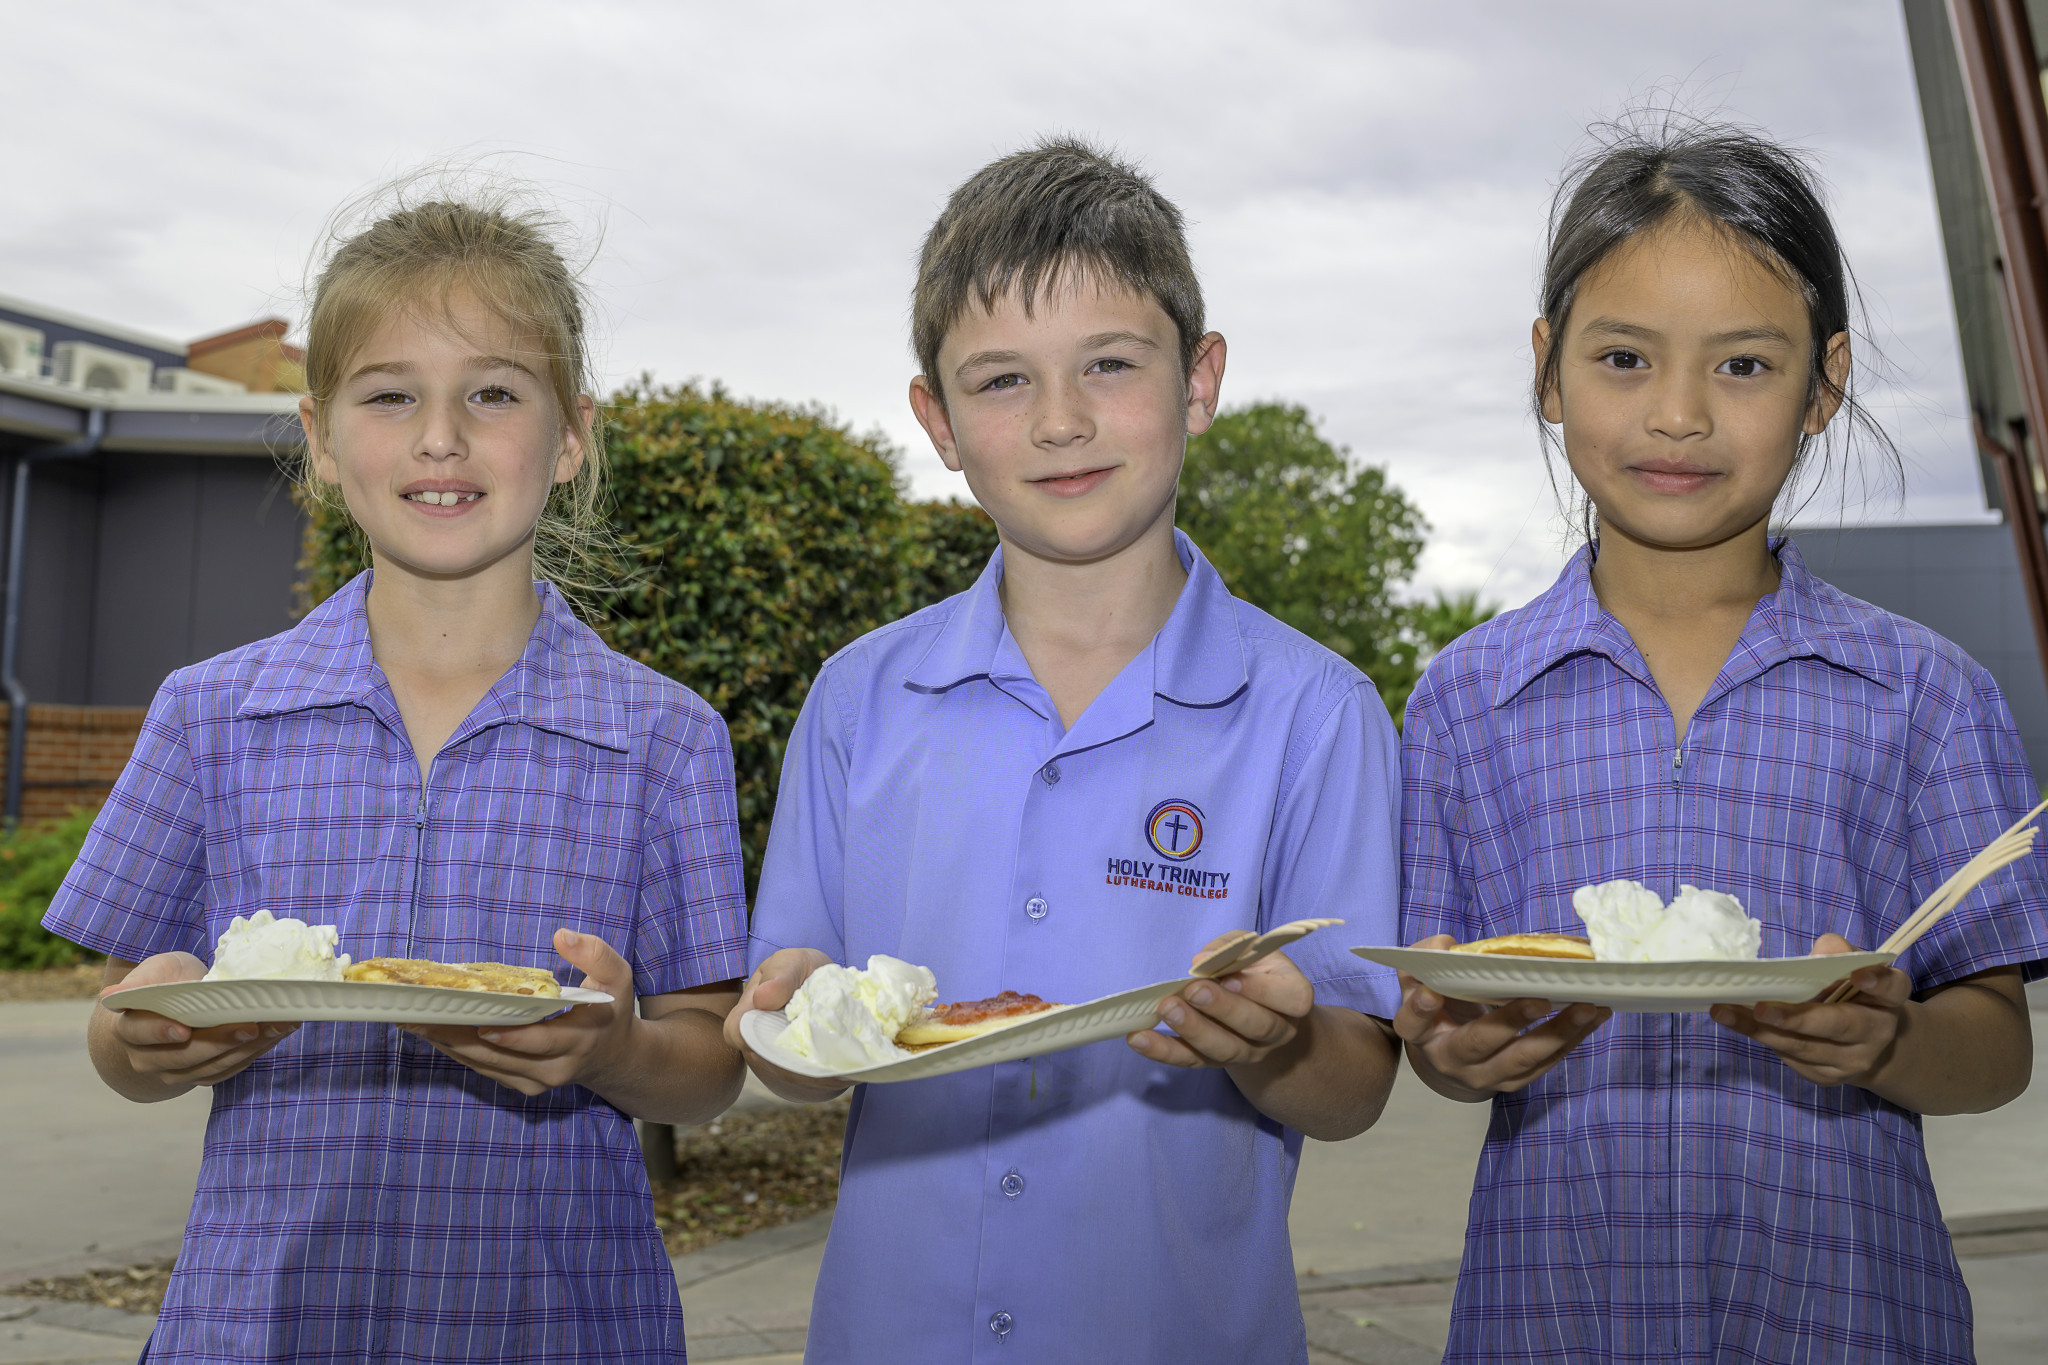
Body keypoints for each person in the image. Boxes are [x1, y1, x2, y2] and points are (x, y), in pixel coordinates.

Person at [723, 137, 1404, 1362]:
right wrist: (787, 1027)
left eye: (1109, 363)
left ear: (1197, 382)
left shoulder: (1316, 713)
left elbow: (1352, 1087)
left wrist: (1281, 1040)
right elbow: (801, 1060)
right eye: (998, 381)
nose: (1060, 421)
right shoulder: (858, 700)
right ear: (934, 419)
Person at [43, 186, 749, 1363]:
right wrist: (151, 1038)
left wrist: (617, 1050)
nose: (441, 437)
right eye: (389, 395)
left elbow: (710, 1065)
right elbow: (123, 1034)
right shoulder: (210, 714)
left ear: (570, 435)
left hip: (556, 1326)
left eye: (491, 392)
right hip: (264, 1321)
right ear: (319, 441)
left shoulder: (663, 736)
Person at [1397, 119, 2048, 1364]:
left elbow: (1995, 1050)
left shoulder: (1925, 694)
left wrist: (1892, 1039)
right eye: (1623, 357)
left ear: (1824, 384)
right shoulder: (1460, 699)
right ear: (1546, 371)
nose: (1678, 414)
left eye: (1743, 365)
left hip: (1849, 1320)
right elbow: (1442, 1038)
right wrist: (1454, 1052)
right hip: (1551, 1320)